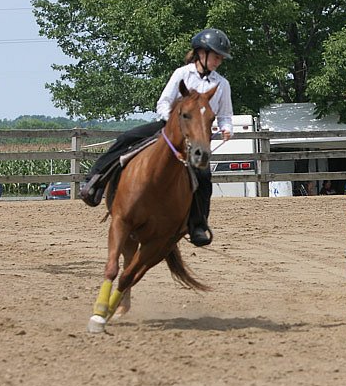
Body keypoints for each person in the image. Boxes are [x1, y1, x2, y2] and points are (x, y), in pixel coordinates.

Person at [80, 28, 234, 247]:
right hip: (169, 127)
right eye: (216, 56)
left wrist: (227, 128)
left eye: (221, 58)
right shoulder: (182, 74)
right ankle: (94, 181)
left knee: (204, 177)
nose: (219, 61)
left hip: (195, 137)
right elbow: (163, 102)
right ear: (202, 53)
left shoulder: (222, 85)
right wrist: (171, 121)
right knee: (127, 138)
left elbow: (226, 115)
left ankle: (198, 225)